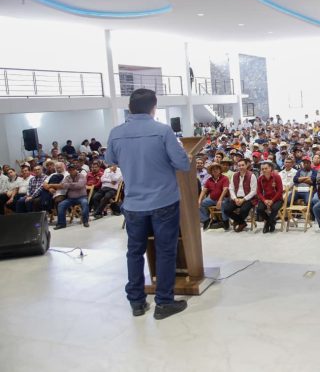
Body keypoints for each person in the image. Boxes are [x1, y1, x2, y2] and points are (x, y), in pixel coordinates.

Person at [106, 89, 191, 320]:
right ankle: (163, 302)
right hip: (164, 201)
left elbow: (110, 160)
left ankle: (136, 302)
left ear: (130, 108)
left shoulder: (116, 133)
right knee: (165, 251)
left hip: (134, 203)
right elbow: (183, 164)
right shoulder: (162, 131)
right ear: (154, 108)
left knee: (134, 252)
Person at [223, 159, 257, 232]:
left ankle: (237, 221)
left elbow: (254, 191)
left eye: (242, 165)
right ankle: (242, 222)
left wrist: (243, 199)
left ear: (246, 165)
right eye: (239, 165)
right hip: (236, 198)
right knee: (226, 210)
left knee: (243, 210)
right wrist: (235, 198)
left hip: (248, 198)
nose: (241, 167)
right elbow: (231, 188)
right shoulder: (235, 175)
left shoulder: (252, 175)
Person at [54, 164, 89, 229]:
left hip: (81, 197)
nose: (71, 171)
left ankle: (85, 221)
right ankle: (61, 224)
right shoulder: (67, 177)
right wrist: (74, 185)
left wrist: (69, 185)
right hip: (70, 198)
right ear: (68, 170)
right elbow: (63, 185)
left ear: (76, 170)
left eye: (73, 169)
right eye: (70, 169)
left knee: (85, 203)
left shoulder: (81, 176)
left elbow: (80, 185)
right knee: (61, 205)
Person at [198, 163, 229, 230]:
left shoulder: (224, 178)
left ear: (220, 170)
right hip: (212, 199)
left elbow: (225, 190)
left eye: (217, 169)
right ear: (211, 171)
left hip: (223, 198)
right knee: (200, 204)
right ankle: (206, 220)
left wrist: (220, 200)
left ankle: (225, 220)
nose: (215, 170)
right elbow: (204, 191)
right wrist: (199, 200)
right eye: (213, 169)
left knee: (223, 204)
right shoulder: (209, 180)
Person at [255, 161, 284, 233]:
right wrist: (264, 200)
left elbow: (280, 191)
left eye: (266, 168)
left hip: (277, 199)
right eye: (262, 169)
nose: (264, 170)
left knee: (274, 208)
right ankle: (272, 222)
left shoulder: (276, 177)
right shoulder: (260, 178)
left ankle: (267, 224)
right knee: (259, 209)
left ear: (270, 168)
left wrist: (272, 200)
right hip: (266, 199)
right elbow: (258, 192)